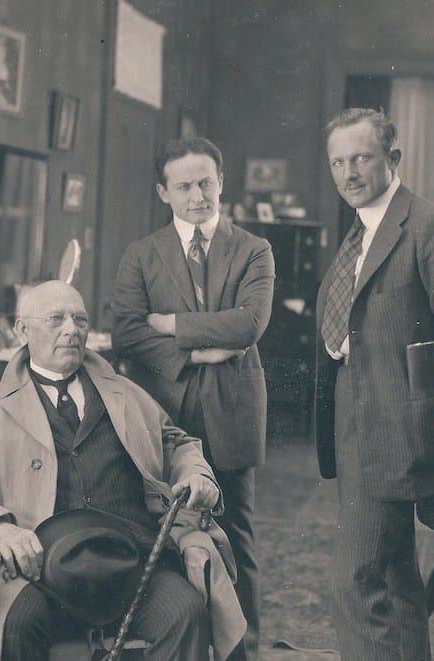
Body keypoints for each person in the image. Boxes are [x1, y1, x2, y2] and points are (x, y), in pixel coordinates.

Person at [0, 280, 239, 660]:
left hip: (133, 563)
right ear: (23, 330)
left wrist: (197, 474)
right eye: (56, 319)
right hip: (39, 574)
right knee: (13, 631)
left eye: (79, 319)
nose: (71, 329)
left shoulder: (127, 396)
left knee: (186, 615)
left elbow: (176, 444)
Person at [314, 107, 434, 659]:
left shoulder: (429, 228)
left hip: (395, 432)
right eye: (338, 162)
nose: (348, 173)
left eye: (361, 158)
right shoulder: (361, 231)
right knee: (392, 579)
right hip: (354, 425)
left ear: (393, 158)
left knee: (356, 583)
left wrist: (419, 403)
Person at [112, 136, 275, 660]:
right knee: (164, 540)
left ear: (221, 182)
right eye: (183, 186)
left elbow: (249, 323)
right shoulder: (141, 254)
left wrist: (173, 324)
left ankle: (240, 653)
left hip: (232, 416)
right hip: (162, 416)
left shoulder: (254, 250)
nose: (197, 195)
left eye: (206, 182)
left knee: (237, 539)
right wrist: (199, 353)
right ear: (164, 192)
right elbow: (128, 334)